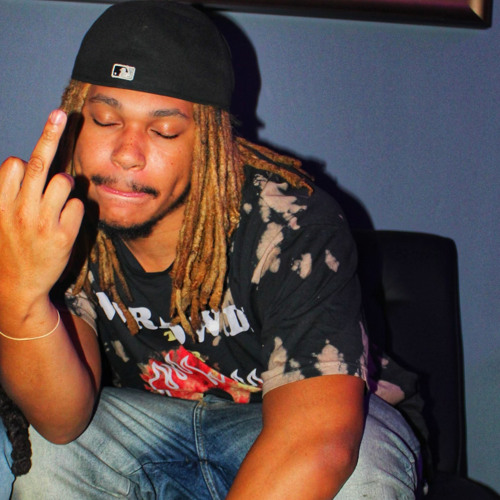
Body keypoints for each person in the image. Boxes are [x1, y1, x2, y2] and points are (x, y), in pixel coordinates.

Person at [0, 1, 422, 498]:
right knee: (38, 451)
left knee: (359, 468)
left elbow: (318, 441)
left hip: (301, 424)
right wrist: (19, 296)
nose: (127, 154)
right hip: (153, 429)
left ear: (210, 142)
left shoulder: (289, 225)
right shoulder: (63, 222)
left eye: (164, 130)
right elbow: (62, 422)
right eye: (105, 120)